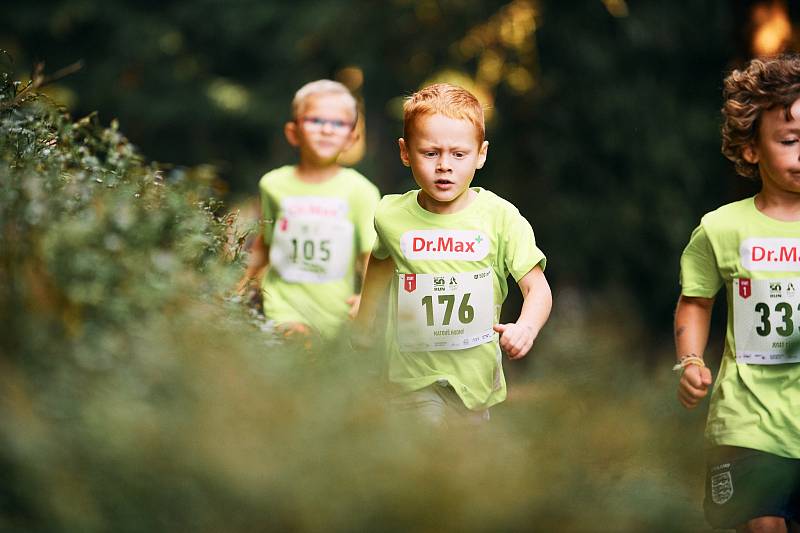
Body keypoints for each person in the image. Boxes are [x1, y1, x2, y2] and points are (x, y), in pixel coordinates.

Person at [355, 83, 552, 427]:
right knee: (424, 453)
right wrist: (364, 323)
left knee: (466, 473)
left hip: (474, 383)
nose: (444, 165)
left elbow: (538, 289)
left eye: (458, 154)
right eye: (430, 153)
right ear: (405, 152)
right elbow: (382, 260)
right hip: (410, 380)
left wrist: (526, 328)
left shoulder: (501, 217)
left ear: (481, 154)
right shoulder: (390, 215)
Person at [675, 55, 800, 532]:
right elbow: (696, 300)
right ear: (752, 149)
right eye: (789, 141)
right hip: (747, 421)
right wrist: (690, 361)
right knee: (761, 525)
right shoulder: (720, 228)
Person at [239, 80, 380, 345]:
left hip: (336, 317)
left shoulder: (361, 191)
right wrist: (239, 286)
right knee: (296, 347)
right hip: (281, 307)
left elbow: (371, 257)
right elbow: (266, 243)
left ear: (352, 138)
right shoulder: (273, 184)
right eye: (315, 120)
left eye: (338, 124)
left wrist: (367, 300)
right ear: (293, 132)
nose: (327, 130)